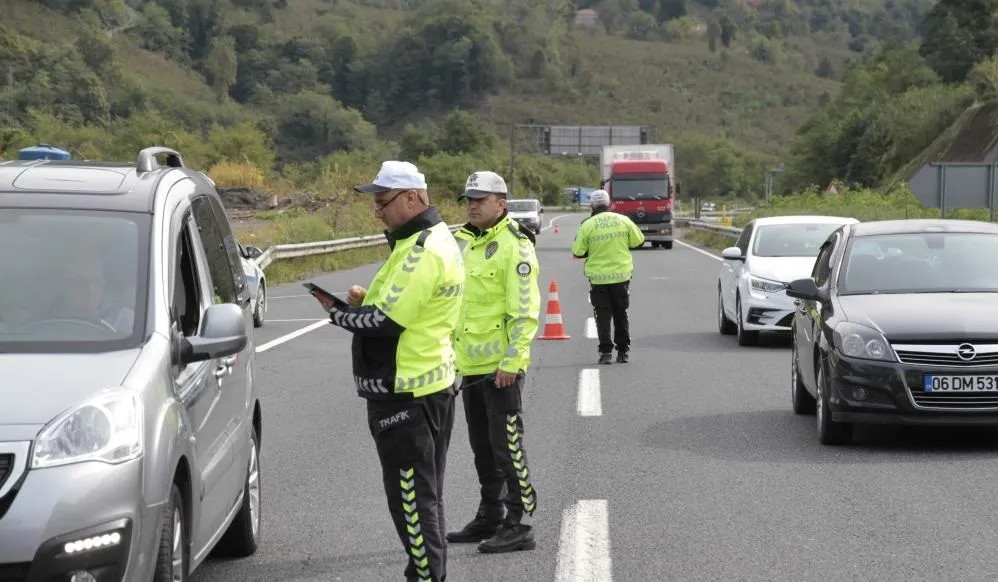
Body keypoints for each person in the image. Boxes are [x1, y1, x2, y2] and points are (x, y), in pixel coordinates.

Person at [312, 160, 465, 582]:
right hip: (427, 383)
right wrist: (365, 302)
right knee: (425, 496)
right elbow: (400, 306)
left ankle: (425, 576)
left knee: (413, 502)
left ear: (413, 198)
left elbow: (386, 322)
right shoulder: (425, 240)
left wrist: (339, 312)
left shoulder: (422, 250)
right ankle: (425, 572)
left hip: (407, 393)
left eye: (383, 202)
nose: (376, 211)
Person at [446, 170, 541, 554]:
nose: (472, 205)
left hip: (500, 370)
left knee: (507, 449)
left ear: (501, 204)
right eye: (469, 199)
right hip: (469, 367)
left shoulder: (515, 247)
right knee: (482, 448)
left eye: (480, 199)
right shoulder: (464, 243)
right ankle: (491, 516)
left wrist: (513, 361)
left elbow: (525, 311)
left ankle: (520, 524)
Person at [570, 189, 645, 365]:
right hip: (621, 276)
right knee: (621, 313)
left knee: (602, 316)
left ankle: (605, 353)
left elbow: (577, 251)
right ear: (609, 204)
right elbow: (638, 240)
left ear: (592, 205)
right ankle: (623, 352)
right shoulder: (623, 220)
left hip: (599, 278)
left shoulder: (587, 225)